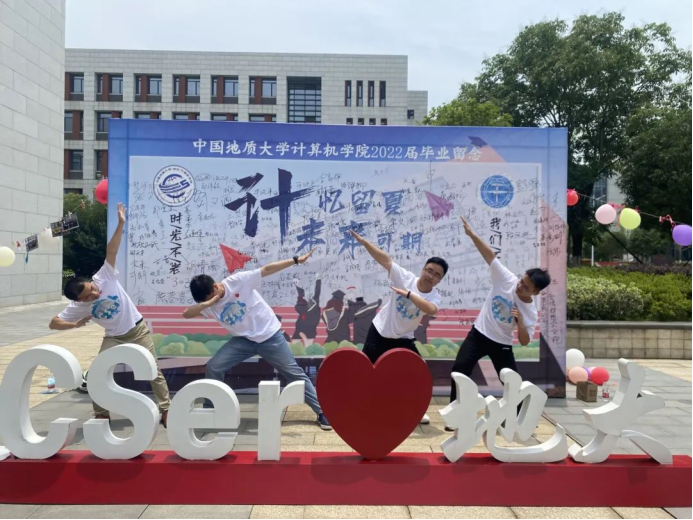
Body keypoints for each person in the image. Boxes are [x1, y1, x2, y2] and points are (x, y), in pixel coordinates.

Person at [182, 250, 332, 431]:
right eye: (207, 301)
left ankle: (322, 412)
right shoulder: (208, 304)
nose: (212, 302)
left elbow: (266, 270)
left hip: (270, 336)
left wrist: (294, 260)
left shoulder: (237, 281)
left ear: (215, 286)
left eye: (211, 297)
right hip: (243, 341)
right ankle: (211, 409)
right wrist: (207, 303)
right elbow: (186, 314)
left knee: (294, 374)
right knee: (214, 366)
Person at [50, 203, 171, 426]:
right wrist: (75, 325)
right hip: (114, 337)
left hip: (137, 330)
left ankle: (166, 409)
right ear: (79, 301)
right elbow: (54, 323)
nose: (95, 294)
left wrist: (121, 223)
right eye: (88, 296)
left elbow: (111, 251)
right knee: (98, 372)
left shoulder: (104, 276)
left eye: (92, 289)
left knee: (153, 369)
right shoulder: (77, 307)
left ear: (90, 281)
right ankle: (101, 414)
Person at [449, 217, 551, 409]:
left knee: (512, 382)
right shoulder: (506, 279)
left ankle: (518, 418)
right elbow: (489, 256)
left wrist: (520, 322)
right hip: (479, 335)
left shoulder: (530, 311)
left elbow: (524, 341)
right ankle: (455, 413)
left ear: (536, 292)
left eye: (526, 287)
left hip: (501, 344)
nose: (520, 286)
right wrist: (472, 235)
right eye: (522, 281)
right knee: (459, 371)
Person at [349, 230, 448, 425]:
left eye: (437, 275)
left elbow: (431, 310)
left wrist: (409, 295)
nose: (431, 276)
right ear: (423, 269)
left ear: (440, 280)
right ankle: (358, 407)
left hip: (404, 338)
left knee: (418, 371)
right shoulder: (405, 277)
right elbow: (385, 260)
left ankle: (415, 410)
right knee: (368, 370)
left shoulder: (434, 296)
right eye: (429, 270)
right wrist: (364, 242)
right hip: (380, 331)